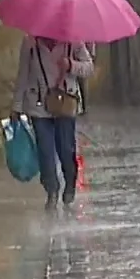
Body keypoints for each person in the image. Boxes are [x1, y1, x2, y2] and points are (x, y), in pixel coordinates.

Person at [11, 35, 94, 210]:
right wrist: (17, 106)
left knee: (66, 148)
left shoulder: (74, 41)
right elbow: (23, 76)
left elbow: (89, 68)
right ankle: (51, 189)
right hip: (38, 105)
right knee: (45, 150)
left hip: (65, 103)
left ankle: (70, 182)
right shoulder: (30, 44)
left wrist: (71, 65)